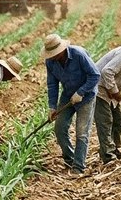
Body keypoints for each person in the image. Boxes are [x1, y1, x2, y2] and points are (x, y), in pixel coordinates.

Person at [42, 33, 100, 175]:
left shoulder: (78, 54)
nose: (52, 56)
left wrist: (81, 92)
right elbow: (52, 85)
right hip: (67, 94)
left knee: (81, 132)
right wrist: (52, 106)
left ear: (61, 49)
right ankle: (70, 158)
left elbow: (95, 75)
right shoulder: (50, 62)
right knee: (60, 128)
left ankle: (78, 166)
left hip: (86, 96)